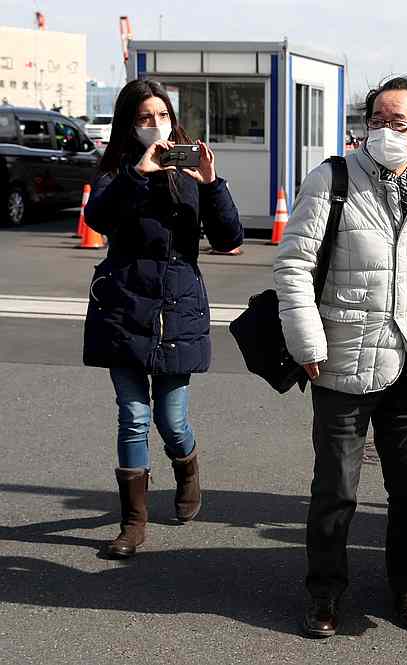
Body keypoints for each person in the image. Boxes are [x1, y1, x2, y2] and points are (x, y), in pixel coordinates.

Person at [274, 76, 407, 638]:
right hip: (342, 356)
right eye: (376, 121)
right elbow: (293, 264)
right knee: (336, 487)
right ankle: (324, 594)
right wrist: (307, 341)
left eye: (398, 123)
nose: (384, 131)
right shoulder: (332, 178)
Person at [82, 79, 243, 559]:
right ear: (129, 124)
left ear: (174, 119)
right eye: (145, 118)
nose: (156, 126)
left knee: (172, 420)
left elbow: (229, 236)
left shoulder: (190, 172)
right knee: (133, 417)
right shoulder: (118, 170)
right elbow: (98, 218)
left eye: (163, 116)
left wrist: (212, 185)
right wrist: (138, 172)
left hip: (177, 310)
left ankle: (187, 468)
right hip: (123, 308)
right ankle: (133, 523)